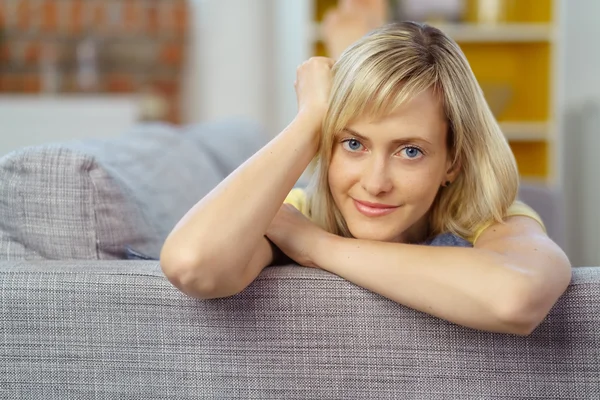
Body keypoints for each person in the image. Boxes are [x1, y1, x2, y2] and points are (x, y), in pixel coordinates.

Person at [160, 14, 571, 336]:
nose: (376, 183)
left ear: (453, 162)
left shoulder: (485, 220)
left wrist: (313, 244)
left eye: (410, 151)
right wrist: (311, 121)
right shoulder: (299, 208)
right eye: (353, 143)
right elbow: (193, 265)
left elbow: (516, 298)